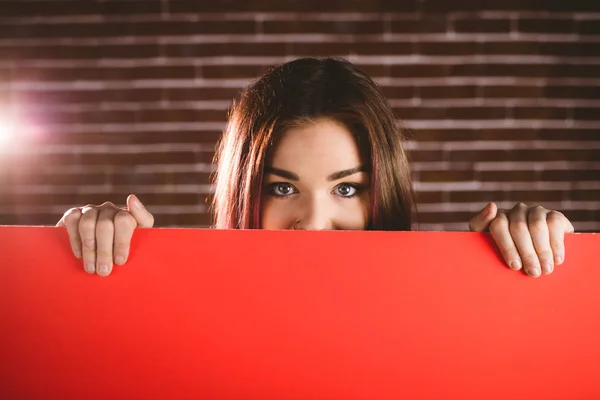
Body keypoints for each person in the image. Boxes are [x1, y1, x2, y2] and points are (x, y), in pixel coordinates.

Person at [56, 57, 574, 278]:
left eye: (347, 189)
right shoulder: (174, 318)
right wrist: (80, 260)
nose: (315, 225)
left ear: (385, 191)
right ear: (242, 191)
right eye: (282, 187)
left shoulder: (441, 318)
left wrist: (532, 254)